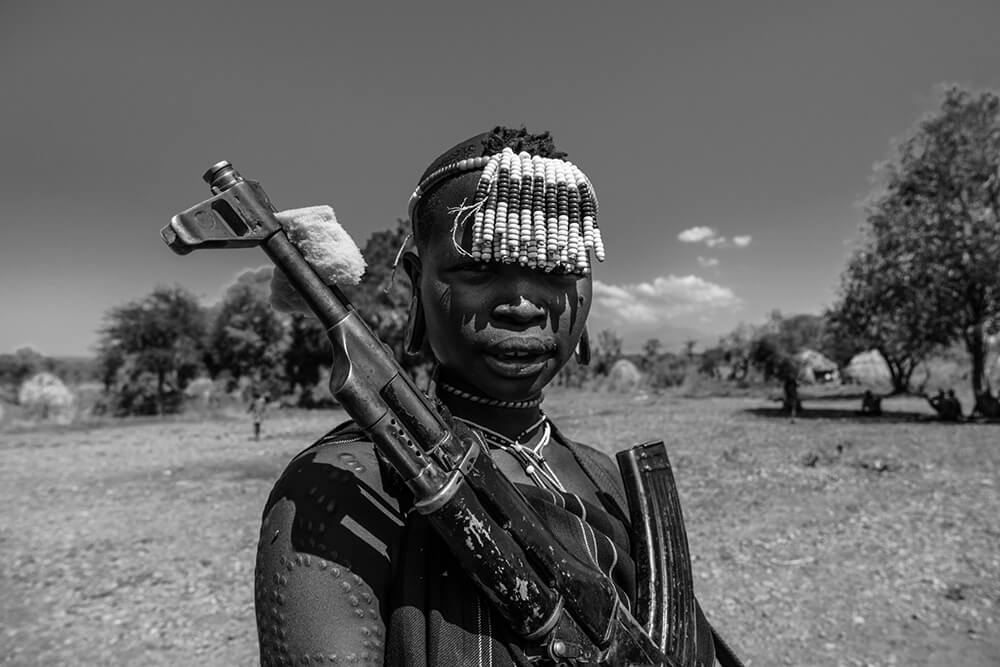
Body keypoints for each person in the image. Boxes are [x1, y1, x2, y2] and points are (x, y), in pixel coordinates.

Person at [254, 127, 737, 666]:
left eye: (556, 269)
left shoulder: (606, 480)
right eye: (480, 269)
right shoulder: (344, 487)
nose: (523, 305)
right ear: (416, 283)